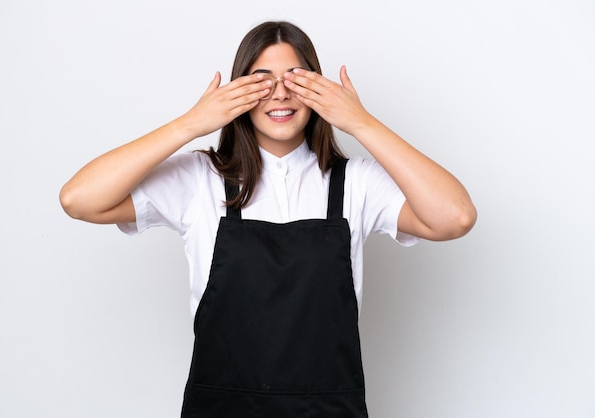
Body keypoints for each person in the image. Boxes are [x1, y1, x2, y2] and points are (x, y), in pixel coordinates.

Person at [60, 20, 476, 418]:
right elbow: (80, 199)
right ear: (238, 91)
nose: (280, 94)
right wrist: (190, 124)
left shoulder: (356, 184)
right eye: (262, 81)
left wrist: (361, 123)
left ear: (318, 90)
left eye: (296, 80)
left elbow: (454, 217)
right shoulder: (199, 179)